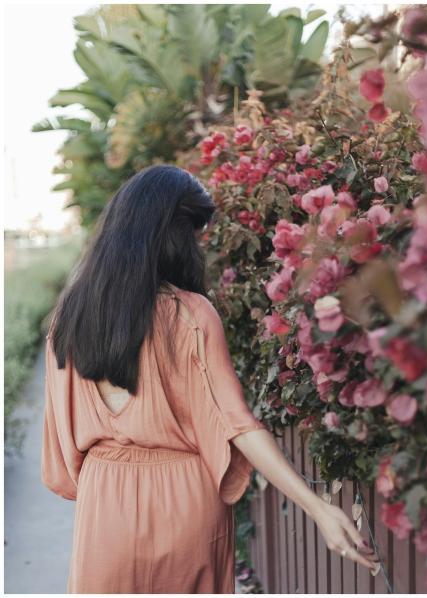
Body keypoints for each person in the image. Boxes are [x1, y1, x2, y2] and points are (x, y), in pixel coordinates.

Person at [41, 164, 378, 593]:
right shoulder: (190, 314)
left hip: (103, 505)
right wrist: (316, 506)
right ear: (174, 235)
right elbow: (236, 423)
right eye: (195, 234)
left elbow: (60, 450)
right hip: (183, 504)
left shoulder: (68, 320)